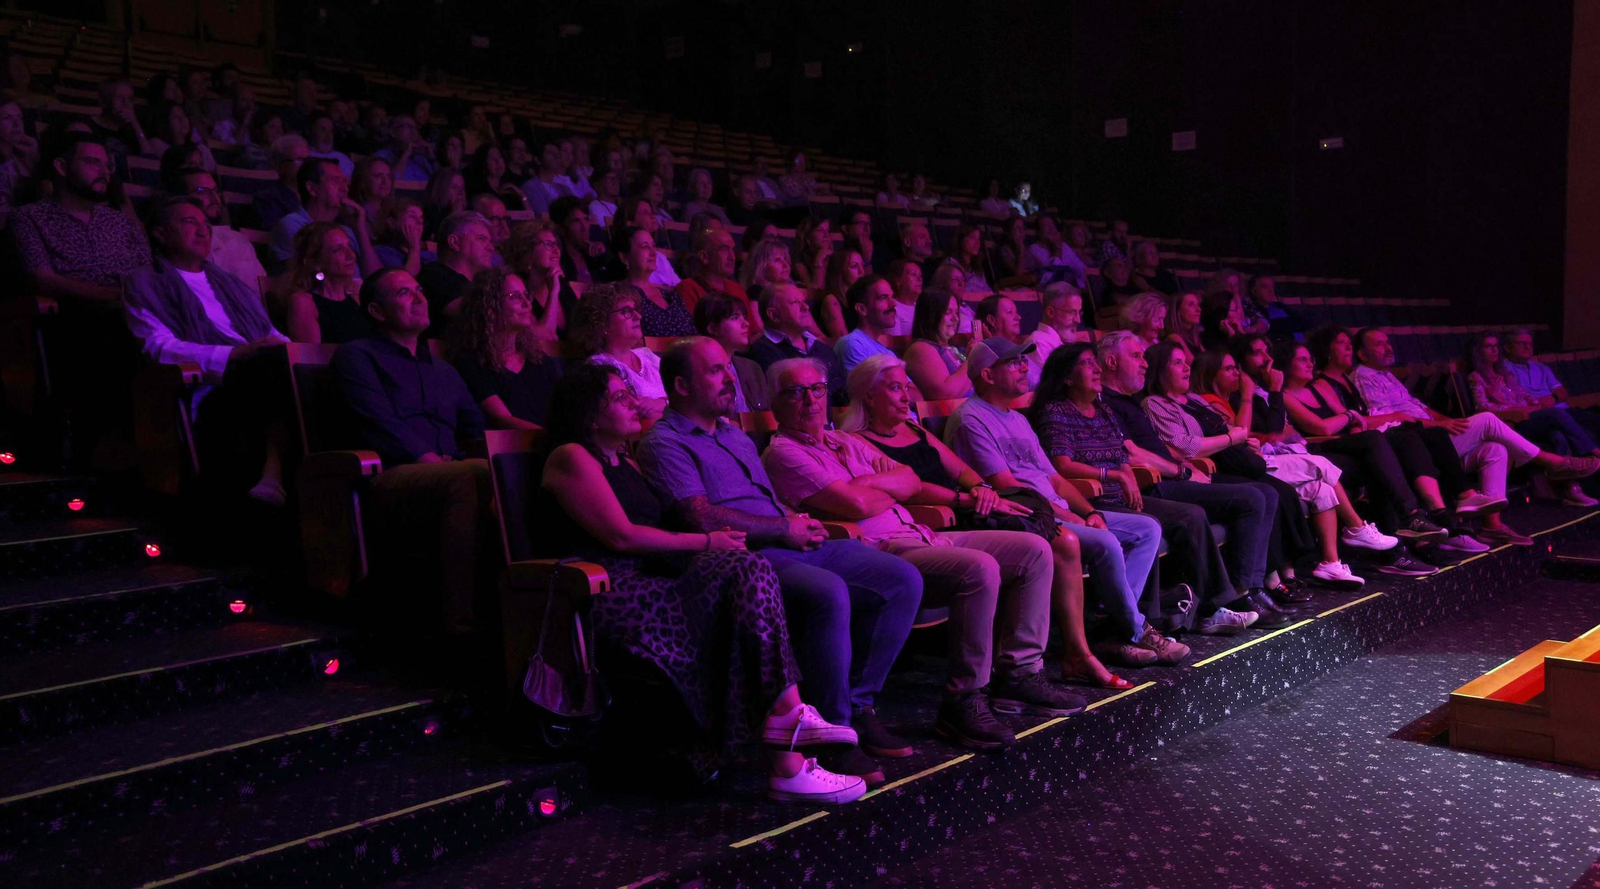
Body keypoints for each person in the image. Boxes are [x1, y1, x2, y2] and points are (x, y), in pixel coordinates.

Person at [539, 363, 864, 802]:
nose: (634, 402)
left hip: (658, 582)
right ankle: (790, 757)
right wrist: (707, 540)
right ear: (589, 415)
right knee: (740, 572)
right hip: (609, 590)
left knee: (749, 568)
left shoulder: (627, 461)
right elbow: (620, 535)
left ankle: (790, 734)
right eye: (619, 397)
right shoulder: (571, 456)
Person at [637, 338, 922, 786]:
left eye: (727, 368)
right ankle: (832, 731)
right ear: (680, 385)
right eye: (714, 370)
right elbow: (698, 514)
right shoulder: (664, 442)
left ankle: (860, 704)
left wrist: (793, 523)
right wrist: (781, 528)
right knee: (828, 592)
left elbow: (766, 502)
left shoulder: (732, 433)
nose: (729, 377)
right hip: (738, 557)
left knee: (901, 577)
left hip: (783, 539)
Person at [764, 357, 1083, 750]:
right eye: (796, 392)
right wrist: (875, 487)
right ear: (774, 402)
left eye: (816, 389)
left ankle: (1018, 673)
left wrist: (869, 484)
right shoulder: (783, 453)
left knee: (1034, 549)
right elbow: (857, 506)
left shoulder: (843, 442)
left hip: (922, 531)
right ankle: (963, 700)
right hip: (877, 549)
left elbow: (910, 481)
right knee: (979, 568)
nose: (810, 400)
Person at [942, 338, 1167, 683]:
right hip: (1029, 517)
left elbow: (1056, 479)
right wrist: (1071, 518)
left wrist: (1089, 511)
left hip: (1061, 511)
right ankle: (1137, 630)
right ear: (987, 375)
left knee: (1147, 529)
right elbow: (1008, 488)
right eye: (1012, 363)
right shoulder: (971, 419)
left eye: (1022, 361)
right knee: (1106, 544)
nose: (1023, 368)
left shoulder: (1016, 418)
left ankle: (1114, 626)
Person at [1049, 335, 1285, 628]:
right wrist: (1169, 471)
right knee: (1218, 507)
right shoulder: (1064, 411)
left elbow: (1128, 450)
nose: (1144, 363)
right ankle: (1223, 601)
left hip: (1142, 482)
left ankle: (1247, 589)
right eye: (1136, 356)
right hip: (1134, 486)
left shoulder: (1108, 409)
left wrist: (1174, 465)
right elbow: (1098, 460)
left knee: (1266, 492)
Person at [1149, 344, 1400, 589]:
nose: (1186, 367)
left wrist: (1245, 439)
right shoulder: (1175, 402)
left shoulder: (1193, 400)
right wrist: (1248, 413)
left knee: (1322, 489)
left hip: (1249, 456)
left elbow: (1242, 431)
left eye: (1186, 362)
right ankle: (1354, 529)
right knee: (1315, 468)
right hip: (1224, 466)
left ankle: (1330, 562)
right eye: (1177, 362)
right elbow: (1199, 442)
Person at [328, 267, 492, 636]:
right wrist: (432, 460)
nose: (419, 297)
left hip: (449, 468)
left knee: (504, 472)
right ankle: (460, 625)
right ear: (376, 311)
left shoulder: (444, 369)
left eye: (420, 289)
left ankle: (519, 608)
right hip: (388, 475)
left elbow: (475, 427)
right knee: (470, 476)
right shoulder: (358, 356)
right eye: (404, 293)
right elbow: (379, 423)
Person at [1352, 327, 1598, 542]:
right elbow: (1393, 421)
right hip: (1418, 445)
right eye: (1379, 344)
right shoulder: (1363, 376)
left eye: (1388, 342)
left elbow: (1419, 407)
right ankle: (1553, 463)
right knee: (1488, 420)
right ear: (1362, 354)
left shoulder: (1387, 375)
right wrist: (1439, 425)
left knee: (1495, 449)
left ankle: (1492, 525)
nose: (1388, 347)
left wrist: (1446, 421)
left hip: (1436, 439)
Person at [1232, 335, 1459, 567]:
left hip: (1309, 449)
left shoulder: (1272, 391)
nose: (1267, 358)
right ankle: (1405, 530)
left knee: (1381, 456)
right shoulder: (1255, 394)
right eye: (1257, 353)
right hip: (1300, 453)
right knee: (1374, 447)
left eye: (1268, 351)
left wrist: (1349, 420)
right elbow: (1280, 432)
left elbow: (1293, 428)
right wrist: (1276, 393)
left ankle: (1402, 544)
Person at [123, 195, 290, 502]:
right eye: (189, 222)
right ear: (160, 233)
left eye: (206, 224)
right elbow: (159, 347)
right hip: (212, 385)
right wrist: (234, 354)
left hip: (259, 366)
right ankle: (273, 472)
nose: (203, 231)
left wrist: (301, 356)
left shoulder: (230, 283)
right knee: (271, 367)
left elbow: (271, 334)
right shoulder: (145, 283)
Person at [12, 134, 150, 302]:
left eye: (107, 165)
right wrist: (114, 296)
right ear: (62, 167)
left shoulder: (120, 221)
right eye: (93, 162)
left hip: (142, 310)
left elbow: (149, 271)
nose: (105, 171)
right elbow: (42, 279)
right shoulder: (30, 217)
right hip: (79, 315)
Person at [1467, 332, 1599, 506]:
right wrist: (1517, 410)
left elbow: (1526, 396)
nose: (1494, 350)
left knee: (1558, 434)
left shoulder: (1505, 374)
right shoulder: (1476, 377)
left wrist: (1535, 404)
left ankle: (1569, 487)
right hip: (1511, 424)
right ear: (1478, 351)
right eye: (1488, 346)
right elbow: (1482, 407)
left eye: (1495, 346)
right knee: (1557, 414)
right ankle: (1593, 451)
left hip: (1528, 416)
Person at [449, 266, 563, 429]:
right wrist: (553, 440)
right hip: (514, 450)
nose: (527, 304)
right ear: (490, 309)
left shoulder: (538, 359)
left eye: (526, 295)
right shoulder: (472, 362)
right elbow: (500, 418)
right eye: (515, 297)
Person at [572, 282, 667, 421]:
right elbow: (632, 414)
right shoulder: (599, 366)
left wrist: (662, 402)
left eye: (635, 310)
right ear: (602, 323)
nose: (638, 316)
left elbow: (684, 396)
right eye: (626, 312)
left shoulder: (646, 355)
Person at [270, 157, 379, 275]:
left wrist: (360, 230)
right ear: (312, 188)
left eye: (344, 182)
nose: (345, 189)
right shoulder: (292, 225)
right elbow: (313, 276)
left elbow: (374, 276)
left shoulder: (347, 231)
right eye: (335, 181)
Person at [749, 284, 850, 407]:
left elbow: (842, 393)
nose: (806, 307)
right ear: (774, 315)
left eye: (804, 301)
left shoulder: (821, 348)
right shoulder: (763, 350)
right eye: (795, 303)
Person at [283, 222, 371, 345]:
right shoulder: (303, 302)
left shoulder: (356, 298)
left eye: (349, 247)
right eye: (338, 250)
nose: (351, 255)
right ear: (314, 262)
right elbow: (311, 359)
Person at [176, 167, 264, 285]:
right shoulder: (183, 241)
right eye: (202, 191)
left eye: (216, 190)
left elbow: (260, 291)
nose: (214, 197)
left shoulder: (238, 240)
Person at [416, 210, 497, 337]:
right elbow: (477, 312)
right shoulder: (435, 275)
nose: (491, 248)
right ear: (454, 242)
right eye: (482, 239)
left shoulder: (476, 283)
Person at [501, 219, 578, 344]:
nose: (556, 250)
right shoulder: (518, 291)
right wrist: (553, 293)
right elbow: (546, 337)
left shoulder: (562, 285)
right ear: (527, 252)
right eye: (548, 244)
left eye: (556, 244)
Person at [694, 291, 771, 413]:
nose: (746, 324)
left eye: (744, 317)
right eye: (735, 318)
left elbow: (766, 414)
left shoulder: (752, 368)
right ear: (713, 328)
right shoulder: (698, 371)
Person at [610, 225, 692, 337]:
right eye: (645, 246)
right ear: (624, 257)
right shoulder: (619, 295)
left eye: (653, 246)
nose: (653, 252)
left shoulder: (671, 296)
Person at [903, 288, 972, 400]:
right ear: (930, 316)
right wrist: (972, 358)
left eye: (956, 312)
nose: (955, 318)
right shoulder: (920, 349)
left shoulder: (953, 348)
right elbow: (944, 394)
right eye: (947, 312)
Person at [678, 227, 752, 322]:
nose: (732, 257)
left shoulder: (736, 289)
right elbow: (691, 332)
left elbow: (752, 331)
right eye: (724, 249)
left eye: (732, 249)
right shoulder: (688, 288)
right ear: (704, 257)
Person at [1024, 283, 1090, 388]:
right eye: (1072, 312)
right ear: (1050, 312)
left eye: (1079, 313)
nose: (1078, 320)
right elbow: (1054, 388)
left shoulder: (1061, 342)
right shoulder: (1038, 343)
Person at [0, 95, 38, 229]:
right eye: (7, 118)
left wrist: (36, 158)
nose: (17, 124)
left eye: (19, 118)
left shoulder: (24, 156)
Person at [549, 196, 606, 285]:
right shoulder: (559, 263)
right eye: (576, 221)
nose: (584, 228)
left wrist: (604, 256)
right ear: (561, 228)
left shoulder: (593, 256)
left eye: (586, 220)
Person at [1023, 215, 1088, 289]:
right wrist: (1057, 249)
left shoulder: (1064, 246)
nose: (1051, 229)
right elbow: (1056, 274)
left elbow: (1081, 268)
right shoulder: (1034, 250)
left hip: (1072, 289)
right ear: (1039, 232)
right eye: (1046, 226)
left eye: (1052, 225)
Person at [371, 196, 430, 275]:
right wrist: (414, 249)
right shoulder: (382, 252)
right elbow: (404, 283)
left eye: (421, 219)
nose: (419, 222)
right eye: (412, 217)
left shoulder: (428, 255)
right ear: (392, 223)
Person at [373, 115, 436, 184]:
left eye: (415, 128)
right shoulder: (381, 156)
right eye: (407, 126)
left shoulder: (421, 159)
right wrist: (405, 155)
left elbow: (441, 184)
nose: (413, 131)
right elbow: (391, 183)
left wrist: (431, 157)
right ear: (392, 132)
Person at [521, 142, 569, 216]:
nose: (556, 156)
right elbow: (542, 214)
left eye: (558, 154)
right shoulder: (531, 186)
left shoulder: (562, 187)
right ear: (538, 160)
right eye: (550, 153)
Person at [422, 167, 468, 240]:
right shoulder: (429, 215)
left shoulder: (469, 214)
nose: (460, 192)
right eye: (454, 187)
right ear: (442, 189)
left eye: (462, 187)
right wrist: (455, 215)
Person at [305, 111, 354, 178]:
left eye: (331, 131)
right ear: (309, 132)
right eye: (323, 130)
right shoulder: (302, 156)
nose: (328, 136)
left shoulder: (342, 158)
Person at [792, 216, 832, 289]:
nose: (826, 235)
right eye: (820, 230)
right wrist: (818, 261)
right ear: (807, 237)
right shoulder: (799, 263)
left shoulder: (834, 256)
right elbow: (816, 289)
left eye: (828, 230)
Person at [886, 259, 923, 336]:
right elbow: (894, 343)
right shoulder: (892, 307)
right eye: (913, 274)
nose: (919, 279)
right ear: (898, 280)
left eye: (920, 276)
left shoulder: (922, 306)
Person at [1166, 291, 1204, 358]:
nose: (1198, 309)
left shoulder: (1195, 337)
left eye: (1198, 304)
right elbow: (1197, 366)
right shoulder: (1174, 338)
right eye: (1191, 305)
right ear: (1177, 310)